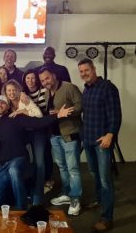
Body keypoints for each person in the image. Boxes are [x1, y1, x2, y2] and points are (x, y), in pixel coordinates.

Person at [0, 95, 73, 209]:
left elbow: (38, 122)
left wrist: (57, 115)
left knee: (13, 171)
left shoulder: (16, 117)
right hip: (1, 164)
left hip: (17, 159)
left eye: (3, 103)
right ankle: (20, 195)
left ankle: (21, 209)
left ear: (8, 106)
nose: (0, 105)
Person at [78, 58, 121, 232]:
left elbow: (115, 114)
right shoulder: (86, 90)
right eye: (81, 71)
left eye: (86, 70)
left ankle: (107, 217)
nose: (84, 74)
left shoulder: (107, 88)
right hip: (88, 140)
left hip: (102, 142)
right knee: (95, 174)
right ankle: (100, 200)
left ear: (94, 69)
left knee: (105, 180)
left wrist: (110, 134)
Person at [39, 67, 82, 216]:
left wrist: (64, 113)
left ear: (54, 76)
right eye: (43, 80)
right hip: (54, 136)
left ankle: (75, 198)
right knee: (62, 167)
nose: (45, 82)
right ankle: (66, 193)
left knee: (73, 168)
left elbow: (80, 105)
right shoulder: (46, 92)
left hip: (69, 134)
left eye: (47, 78)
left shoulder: (69, 87)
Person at [2, 79, 46, 205]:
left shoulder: (24, 99)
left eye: (14, 90)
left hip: (37, 133)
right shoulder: (7, 105)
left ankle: (37, 197)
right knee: (24, 162)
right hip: (24, 135)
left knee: (39, 164)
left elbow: (38, 115)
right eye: (9, 90)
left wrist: (23, 111)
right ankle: (27, 192)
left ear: (18, 90)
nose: (11, 93)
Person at [22, 69, 54, 194]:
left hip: (41, 129)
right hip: (27, 130)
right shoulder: (22, 94)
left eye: (33, 78)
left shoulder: (45, 91)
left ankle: (41, 186)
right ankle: (32, 183)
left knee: (40, 159)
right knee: (28, 159)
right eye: (27, 78)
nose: (30, 81)